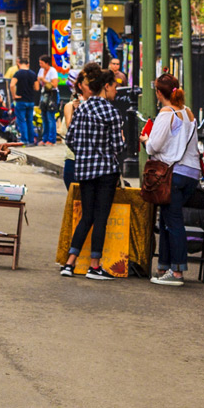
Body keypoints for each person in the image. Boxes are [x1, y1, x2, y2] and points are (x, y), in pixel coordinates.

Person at [62, 64, 128, 280]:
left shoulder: (81, 109)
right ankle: (94, 266)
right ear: (106, 86)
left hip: (84, 171)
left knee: (86, 217)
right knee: (101, 218)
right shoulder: (111, 112)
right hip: (106, 172)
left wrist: (85, 154)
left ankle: (69, 263)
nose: (116, 92)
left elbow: (70, 139)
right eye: (114, 87)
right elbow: (117, 146)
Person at [146, 72, 203, 286]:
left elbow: (154, 146)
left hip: (173, 174)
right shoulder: (188, 113)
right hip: (190, 174)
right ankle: (164, 265)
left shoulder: (166, 113)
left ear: (159, 93)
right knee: (167, 219)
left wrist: (145, 140)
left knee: (174, 221)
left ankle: (177, 271)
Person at [11, 56, 39, 145]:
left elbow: (12, 85)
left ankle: (24, 140)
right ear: (28, 64)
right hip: (30, 100)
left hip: (21, 100)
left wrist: (14, 95)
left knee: (22, 120)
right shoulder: (33, 74)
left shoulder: (18, 74)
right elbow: (37, 88)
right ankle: (31, 140)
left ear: (19, 64)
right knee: (30, 120)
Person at [37, 55, 62, 144]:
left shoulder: (52, 71)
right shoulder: (41, 70)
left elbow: (55, 84)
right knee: (44, 116)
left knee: (50, 117)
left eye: (42, 63)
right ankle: (44, 138)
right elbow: (38, 81)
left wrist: (43, 79)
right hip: (44, 94)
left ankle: (52, 139)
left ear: (46, 63)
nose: (40, 65)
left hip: (52, 95)